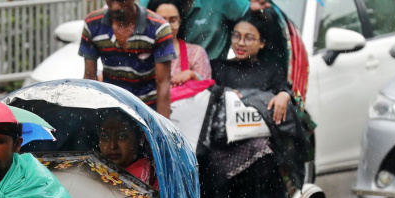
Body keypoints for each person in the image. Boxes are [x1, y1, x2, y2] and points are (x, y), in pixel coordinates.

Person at [199, 13, 304, 198]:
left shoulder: (271, 69)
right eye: (236, 37)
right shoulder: (219, 67)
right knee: (207, 157)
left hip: (258, 140)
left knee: (259, 150)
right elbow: (206, 90)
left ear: (262, 43)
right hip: (223, 138)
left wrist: (283, 96)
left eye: (249, 38)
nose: (241, 43)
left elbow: (283, 90)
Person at [80, 0, 175, 118]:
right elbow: (89, 80)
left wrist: (163, 128)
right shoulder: (92, 24)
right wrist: (89, 122)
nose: (114, 6)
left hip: (147, 111)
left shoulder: (159, 28)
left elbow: (163, 85)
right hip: (111, 108)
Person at [138, 0, 273, 61]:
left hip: (212, 79)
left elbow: (254, 24)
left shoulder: (221, 2)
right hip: (159, 72)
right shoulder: (146, 4)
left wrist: (253, 10)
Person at [148, 0, 211, 86]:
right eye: (161, 20)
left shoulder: (196, 54)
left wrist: (193, 76)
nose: (167, 26)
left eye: (173, 20)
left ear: (180, 22)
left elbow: (208, 92)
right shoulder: (140, 54)